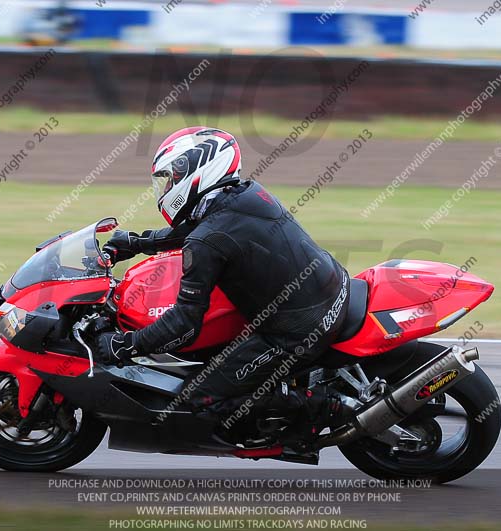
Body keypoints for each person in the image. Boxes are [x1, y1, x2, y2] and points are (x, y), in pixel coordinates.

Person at [98, 127, 349, 435]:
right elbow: (199, 230)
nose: (167, 188)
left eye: (172, 178)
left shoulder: (207, 240)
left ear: (199, 171)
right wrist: (136, 242)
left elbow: (185, 324)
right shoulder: (246, 194)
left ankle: (326, 405)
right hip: (329, 291)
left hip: (298, 331)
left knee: (199, 400)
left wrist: (126, 345)